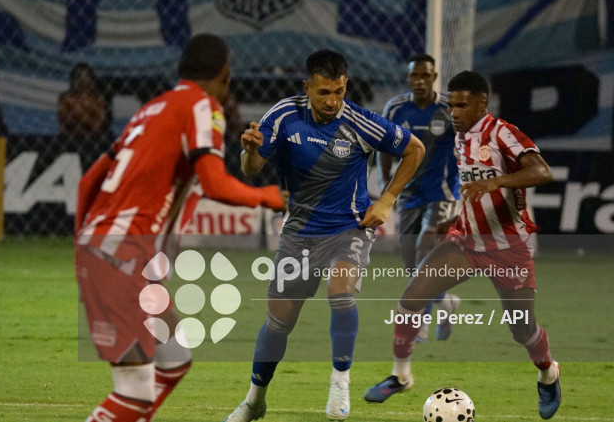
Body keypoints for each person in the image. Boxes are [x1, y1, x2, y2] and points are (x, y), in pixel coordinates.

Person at [75, 34, 287, 422]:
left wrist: (85, 249)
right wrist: (268, 196)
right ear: (226, 74)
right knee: (135, 391)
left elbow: (88, 182)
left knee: (174, 359)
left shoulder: (150, 110)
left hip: (109, 250)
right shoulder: (203, 107)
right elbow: (215, 183)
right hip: (123, 255)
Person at [222, 49, 426, 422]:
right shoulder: (283, 116)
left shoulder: (361, 122)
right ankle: (254, 401)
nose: (333, 101)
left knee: (340, 291)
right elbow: (251, 168)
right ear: (307, 87)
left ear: (345, 86)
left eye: (339, 91)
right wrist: (249, 152)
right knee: (278, 323)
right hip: (299, 232)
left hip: (348, 229)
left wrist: (386, 201)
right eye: (324, 93)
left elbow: (415, 149)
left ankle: (340, 381)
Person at [363, 71, 561, 420]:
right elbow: (471, 188)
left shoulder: (503, 133)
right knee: (411, 299)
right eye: (451, 105)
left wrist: (498, 182)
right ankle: (401, 376)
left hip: (508, 248)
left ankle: (548, 373)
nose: (453, 112)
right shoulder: (460, 138)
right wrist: (454, 217)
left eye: (462, 105)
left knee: (522, 329)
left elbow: (543, 171)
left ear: (482, 103)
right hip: (466, 241)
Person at [378, 54, 461, 345]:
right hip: (409, 193)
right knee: (410, 261)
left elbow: (468, 141)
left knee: (426, 247)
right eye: (415, 75)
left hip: (443, 192)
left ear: (434, 77)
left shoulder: (449, 108)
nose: (420, 81)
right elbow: (384, 147)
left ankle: (420, 322)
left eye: (425, 75)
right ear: (408, 78)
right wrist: (386, 185)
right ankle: (445, 302)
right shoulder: (396, 108)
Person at [57, 63, 108, 138]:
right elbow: (64, 120)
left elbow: (98, 122)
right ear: (73, 78)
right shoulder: (65, 97)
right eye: (79, 76)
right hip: (69, 136)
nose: (82, 79)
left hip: (93, 137)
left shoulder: (97, 98)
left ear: (91, 78)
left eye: (86, 76)